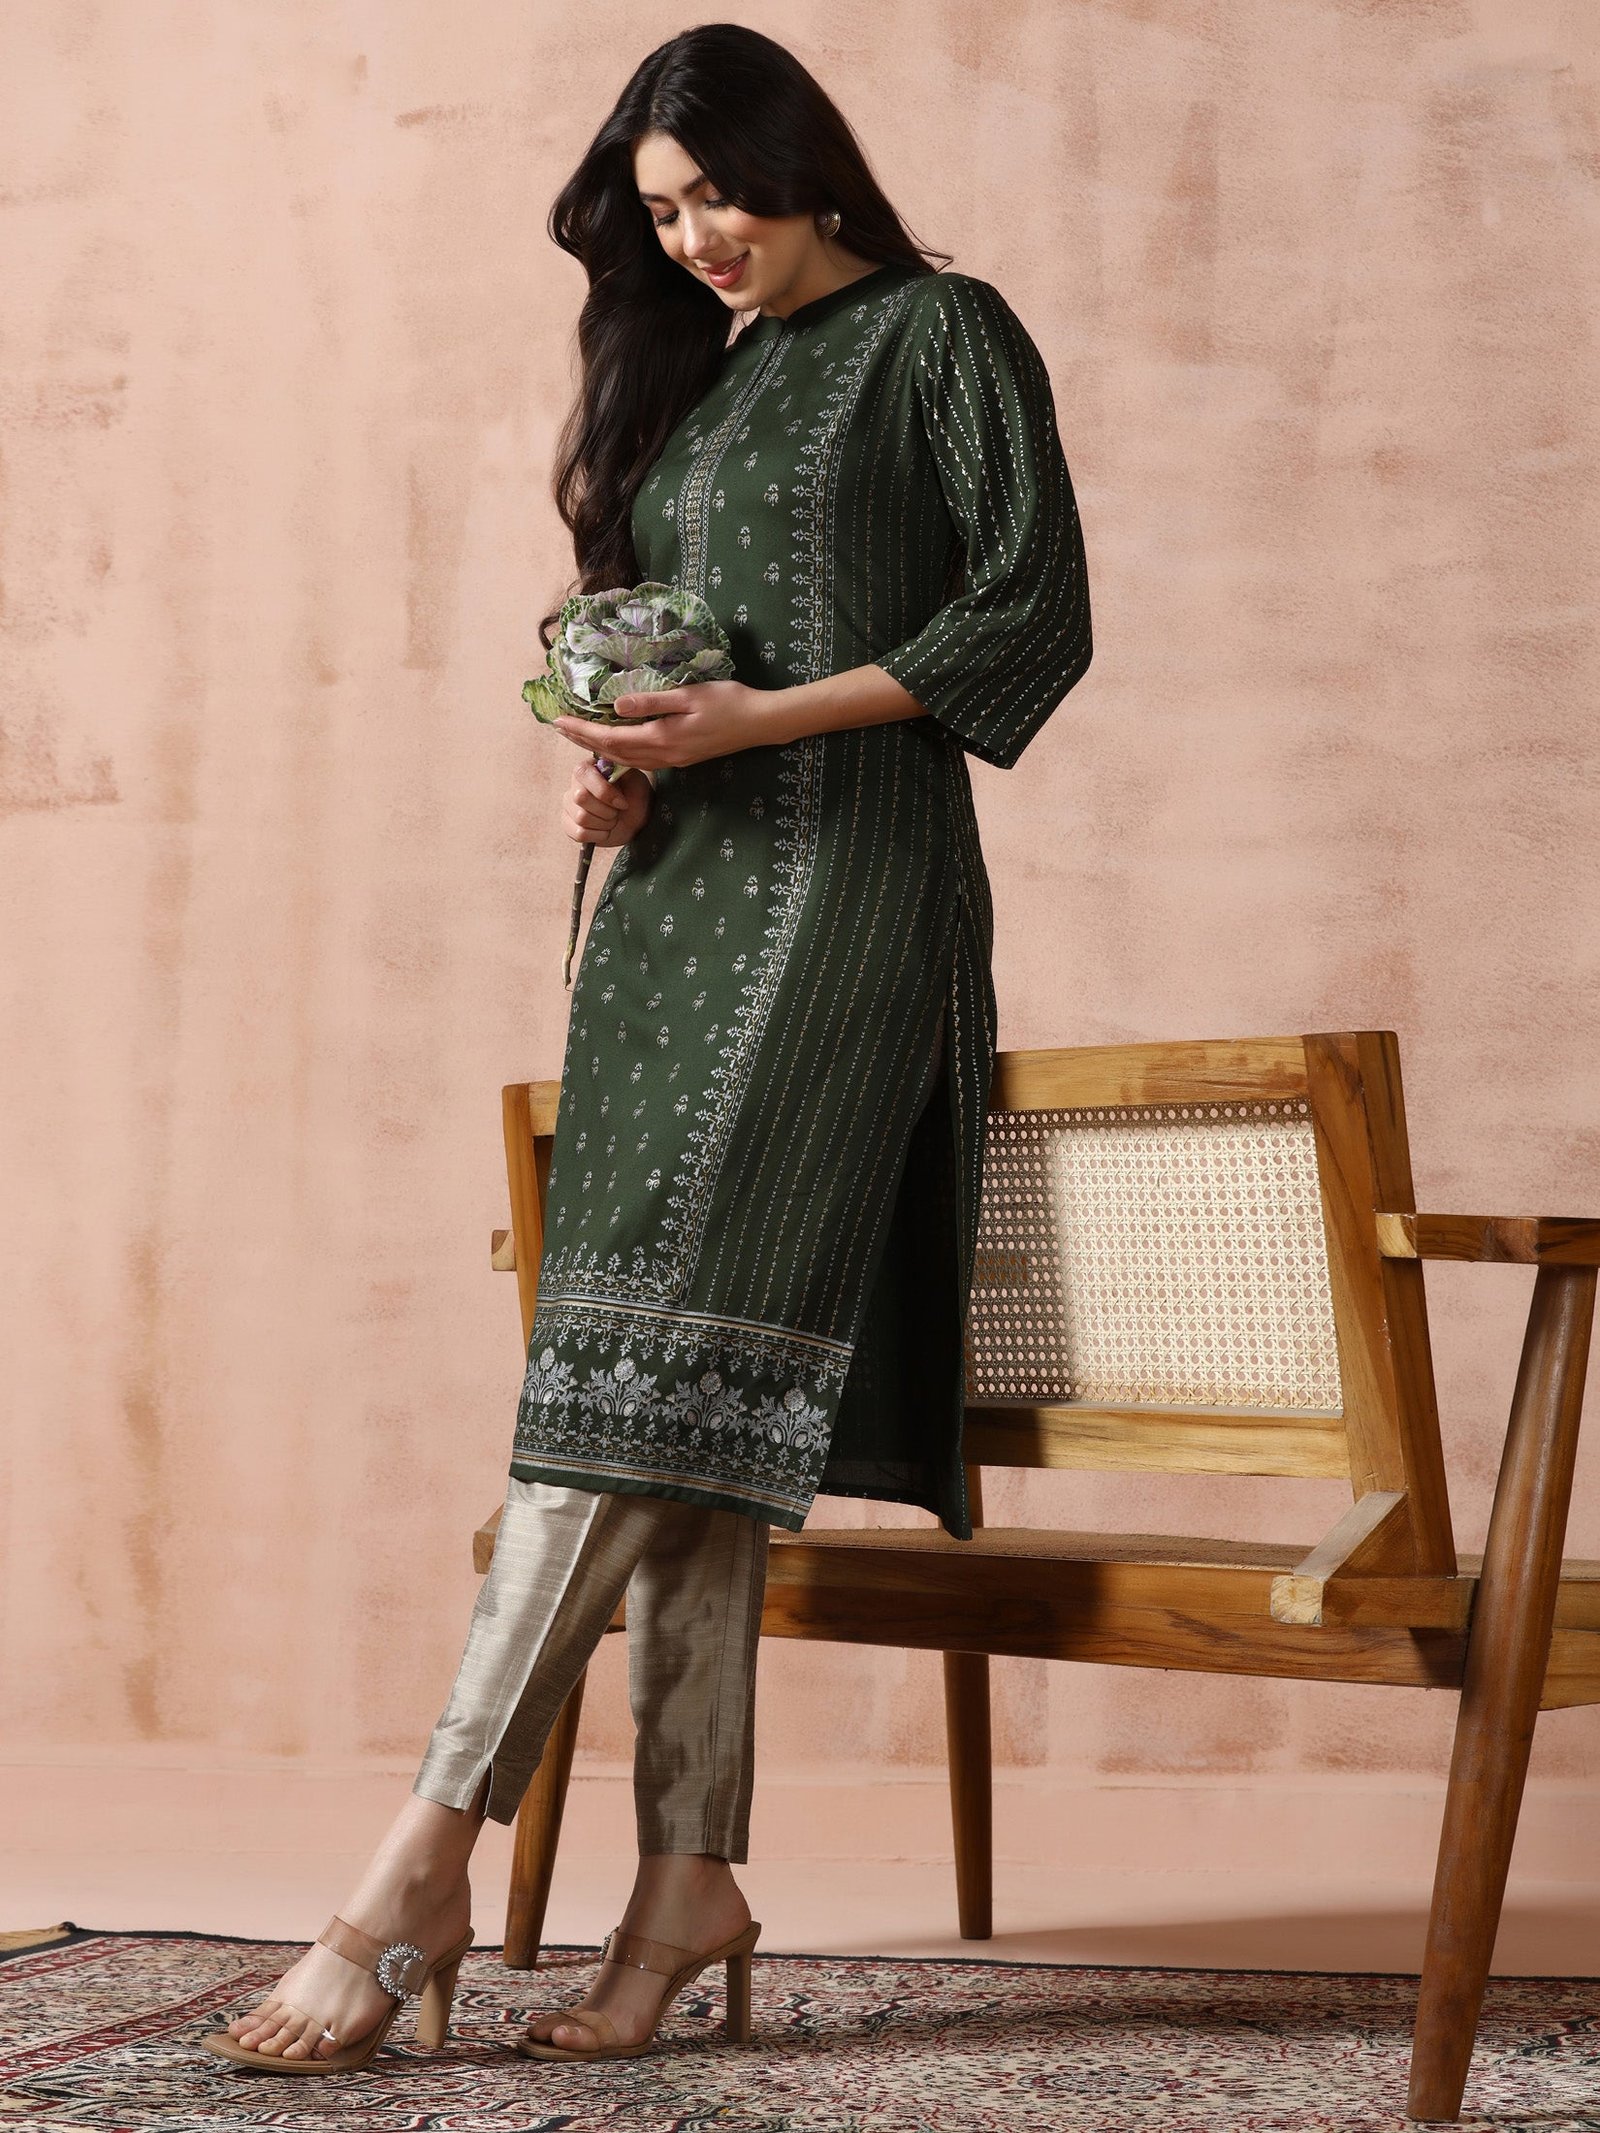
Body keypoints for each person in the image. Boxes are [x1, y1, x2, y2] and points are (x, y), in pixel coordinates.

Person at [202, 18, 1091, 2074]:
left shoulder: (940, 334)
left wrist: (762, 723)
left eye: (717, 196)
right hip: (673, 910)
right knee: (669, 1389)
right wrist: (621, 777)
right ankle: (688, 1873)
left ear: (807, 164)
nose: (692, 239)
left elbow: (1028, 609)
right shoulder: (708, 370)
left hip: (849, 897)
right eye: (663, 210)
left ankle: (415, 1863)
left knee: (637, 1382)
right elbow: (669, 644)